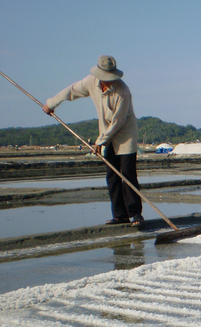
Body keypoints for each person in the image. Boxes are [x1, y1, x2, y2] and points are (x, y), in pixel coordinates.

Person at [43, 56, 143, 226]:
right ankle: (120, 215)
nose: (108, 81)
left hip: (125, 134)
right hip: (105, 133)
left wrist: (100, 141)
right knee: (112, 175)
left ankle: (135, 214)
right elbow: (72, 90)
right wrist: (51, 103)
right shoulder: (91, 82)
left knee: (127, 174)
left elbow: (118, 122)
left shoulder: (122, 91)